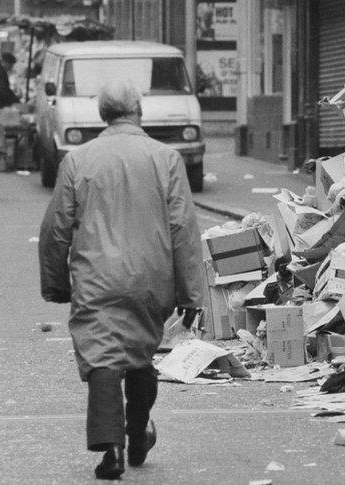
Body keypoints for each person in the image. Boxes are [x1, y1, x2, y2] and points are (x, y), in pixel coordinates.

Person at [38, 79, 204, 480]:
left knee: (102, 358)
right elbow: (183, 227)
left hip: (96, 278)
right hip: (151, 278)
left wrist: (56, 282)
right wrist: (190, 291)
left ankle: (111, 446)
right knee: (140, 355)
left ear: (102, 114)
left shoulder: (78, 160)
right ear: (139, 110)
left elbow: (56, 229)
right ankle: (138, 429)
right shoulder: (165, 158)